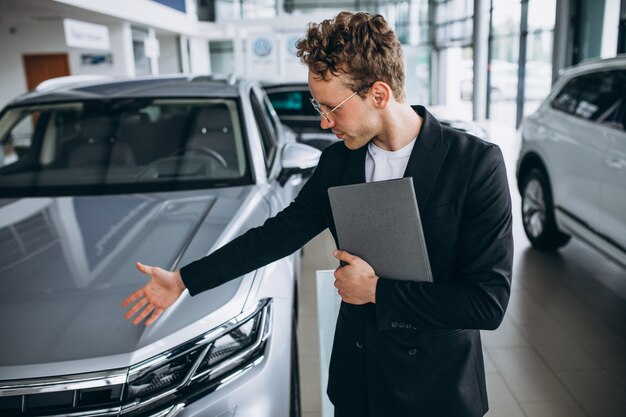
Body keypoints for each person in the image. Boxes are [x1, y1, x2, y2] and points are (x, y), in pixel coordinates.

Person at [122, 11, 513, 417]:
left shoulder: (474, 164)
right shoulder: (338, 163)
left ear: (379, 95)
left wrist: (377, 291)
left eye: (333, 108)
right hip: (359, 380)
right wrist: (184, 280)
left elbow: (487, 303)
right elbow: (275, 235)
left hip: (437, 388)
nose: (324, 122)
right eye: (318, 105)